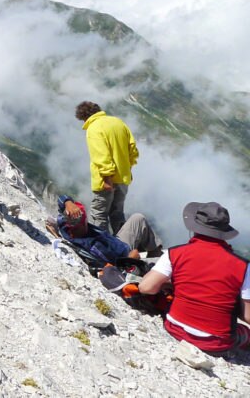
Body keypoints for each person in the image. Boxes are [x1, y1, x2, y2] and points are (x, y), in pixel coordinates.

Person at [138, 202, 250, 354]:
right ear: (224, 232)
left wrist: (172, 283)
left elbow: (146, 287)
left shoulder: (175, 253)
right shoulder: (243, 266)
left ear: (194, 227)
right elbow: (247, 315)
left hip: (175, 328)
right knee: (244, 333)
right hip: (216, 343)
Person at [75, 101, 139, 233]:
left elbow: (101, 155)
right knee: (117, 213)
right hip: (123, 177)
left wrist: (107, 178)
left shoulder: (94, 128)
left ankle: (103, 247)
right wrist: (128, 168)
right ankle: (125, 245)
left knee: (99, 214)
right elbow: (132, 149)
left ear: (85, 117)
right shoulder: (118, 123)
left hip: (106, 181)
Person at [54, 195, 162, 263]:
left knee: (137, 218)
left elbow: (61, 198)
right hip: (124, 253)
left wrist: (68, 203)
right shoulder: (94, 246)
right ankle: (155, 256)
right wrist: (130, 259)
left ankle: (154, 252)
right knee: (139, 219)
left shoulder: (65, 224)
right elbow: (112, 266)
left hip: (114, 242)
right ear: (82, 224)